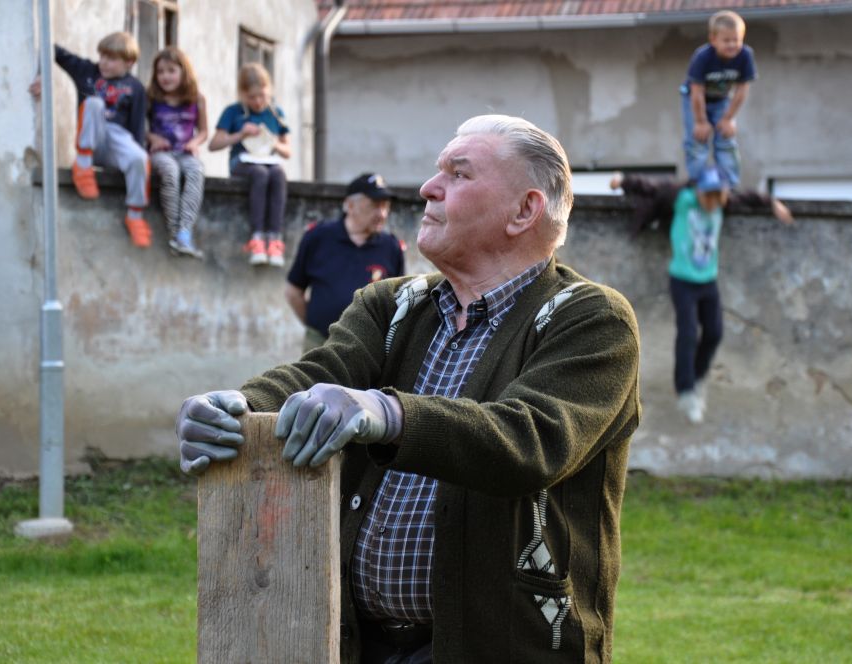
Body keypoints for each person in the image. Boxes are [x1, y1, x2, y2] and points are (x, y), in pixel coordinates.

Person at [177, 115, 642, 663]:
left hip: (507, 647)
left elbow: (532, 439)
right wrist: (240, 406)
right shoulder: (392, 303)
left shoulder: (592, 318)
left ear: (525, 210)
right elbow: (321, 372)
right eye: (437, 170)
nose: (428, 187)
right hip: (361, 644)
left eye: (458, 173)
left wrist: (387, 412)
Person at [610, 167, 792, 424]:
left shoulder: (721, 203)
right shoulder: (682, 199)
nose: (711, 203)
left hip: (708, 281)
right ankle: (685, 390)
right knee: (687, 333)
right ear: (698, 192)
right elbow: (652, 186)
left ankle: (697, 378)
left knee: (715, 332)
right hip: (682, 280)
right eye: (707, 197)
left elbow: (749, 197)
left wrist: (773, 203)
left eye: (717, 197)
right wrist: (622, 181)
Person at [29, 32, 151, 247]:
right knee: (94, 103)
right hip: (91, 137)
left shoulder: (136, 87)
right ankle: (83, 167)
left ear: (129, 62)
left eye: (111, 59)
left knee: (140, 157)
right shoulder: (86, 71)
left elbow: (136, 131)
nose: (103, 62)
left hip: (116, 144)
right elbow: (51, 48)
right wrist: (41, 74)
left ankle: (135, 215)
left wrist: (133, 164)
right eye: (102, 56)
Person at [285, 173, 406, 351]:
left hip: (369, 349)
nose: (382, 214)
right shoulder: (318, 238)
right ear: (350, 205)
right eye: (374, 205)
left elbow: (400, 302)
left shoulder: (391, 247)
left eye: (385, 206)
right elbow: (293, 291)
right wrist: (315, 326)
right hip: (320, 343)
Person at [209, 63, 291, 267]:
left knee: (278, 174)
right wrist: (240, 134)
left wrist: (273, 142)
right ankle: (256, 238)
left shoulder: (276, 112)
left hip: (268, 160)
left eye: (262, 96)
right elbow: (214, 144)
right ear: (243, 94)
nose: (257, 101)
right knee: (260, 174)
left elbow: (287, 151)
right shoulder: (233, 112)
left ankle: (274, 238)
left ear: (269, 91)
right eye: (252, 97)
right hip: (243, 163)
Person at [681, 10, 756, 188]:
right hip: (694, 100)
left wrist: (728, 118)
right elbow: (696, 92)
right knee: (697, 142)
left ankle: (729, 185)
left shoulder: (745, 56)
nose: (732, 45)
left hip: (722, 100)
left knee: (726, 139)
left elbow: (742, 90)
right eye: (727, 40)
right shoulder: (702, 57)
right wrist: (700, 121)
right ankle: (698, 185)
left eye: (736, 40)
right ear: (713, 39)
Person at [146, 47, 208, 259]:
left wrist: (195, 142)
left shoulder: (197, 99)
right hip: (160, 153)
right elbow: (140, 128)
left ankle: (184, 232)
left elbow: (204, 131)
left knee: (196, 171)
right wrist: (152, 138)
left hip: (185, 152)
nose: (165, 76)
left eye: (171, 70)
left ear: (184, 72)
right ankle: (174, 232)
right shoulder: (151, 98)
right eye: (161, 72)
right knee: (170, 172)